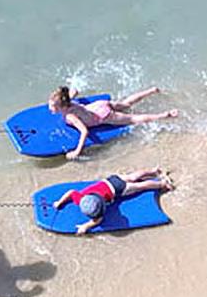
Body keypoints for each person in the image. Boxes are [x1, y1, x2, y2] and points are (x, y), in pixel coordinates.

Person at [48, 86, 179, 160]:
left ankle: (164, 115)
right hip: (99, 105)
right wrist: (72, 91)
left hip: (103, 116)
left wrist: (77, 151)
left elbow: (84, 131)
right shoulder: (70, 102)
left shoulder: (70, 116)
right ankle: (151, 90)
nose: (50, 108)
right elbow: (74, 91)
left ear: (62, 107)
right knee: (126, 104)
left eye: (53, 106)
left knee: (133, 119)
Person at [53, 167, 175, 235]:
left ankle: (162, 184)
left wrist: (85, 226)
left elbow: (98, 220)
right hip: (110, 180)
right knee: (133, 177)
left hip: (118, 190)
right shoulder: (80, 197)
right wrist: (60, 202)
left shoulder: (82, 201)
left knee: (139, 186)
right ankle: (153, 171)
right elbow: (70, 192)